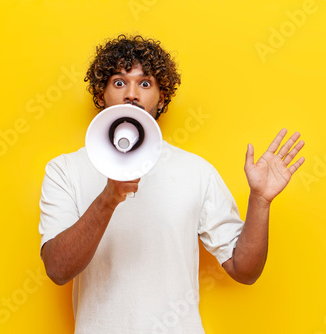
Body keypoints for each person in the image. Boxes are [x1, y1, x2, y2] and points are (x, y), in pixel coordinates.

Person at [38, 34, 305, 334]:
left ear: (162, 98)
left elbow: (244, 270)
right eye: (119, 82)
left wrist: (260, 200)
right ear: (101, 95)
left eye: (145, 83)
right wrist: (108, 198)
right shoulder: (64, 170)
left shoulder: (196, 171)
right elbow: (57, 270)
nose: (132, 94)